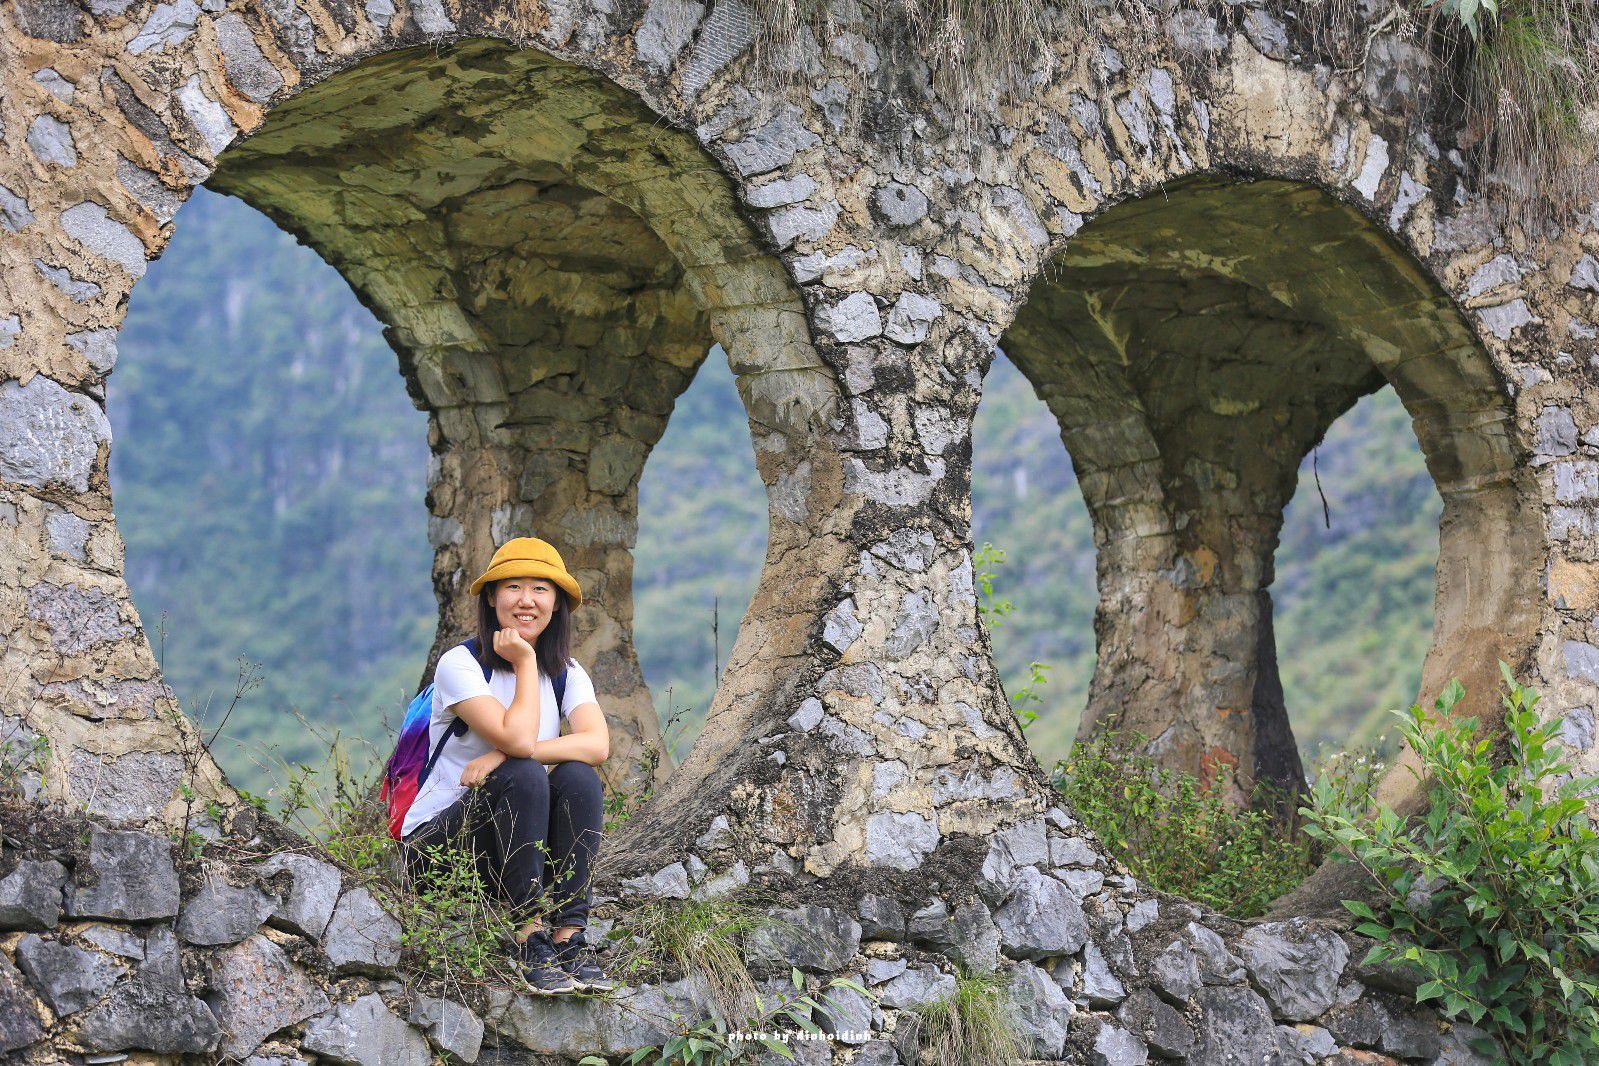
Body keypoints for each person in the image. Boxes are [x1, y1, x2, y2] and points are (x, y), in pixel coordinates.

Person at [400, 536, 614, 994]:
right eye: (513, 586)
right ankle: (528, 934)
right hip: (440, 852)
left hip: (513, 849)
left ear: (556, 604)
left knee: (577, 775)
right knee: (522, 771)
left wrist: (501, 754)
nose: (526, 600)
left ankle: (569, 935)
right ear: (492, 598)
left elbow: (597, 745)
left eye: (540, 589)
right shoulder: (461, 665)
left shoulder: (568, 673)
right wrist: (524, 663)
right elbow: (517, 740)